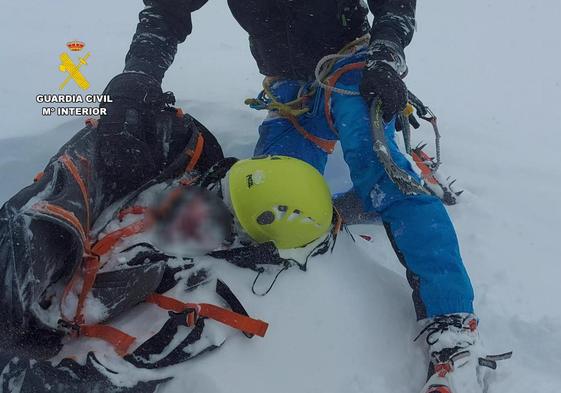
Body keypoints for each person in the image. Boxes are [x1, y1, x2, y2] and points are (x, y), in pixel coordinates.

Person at [115, 1, 511, 392]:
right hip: (290, 88)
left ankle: (454, 329)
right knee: (270, 200)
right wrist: (140, 73)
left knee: (381, 171)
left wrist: (385, 55)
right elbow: (166, 10)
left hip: (353, 65)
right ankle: (346, 209)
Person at [0, 72, 337, 391]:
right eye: (218, 191)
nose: (207, 205)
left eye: (225, 214)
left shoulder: (191, 263)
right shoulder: (185, 156)